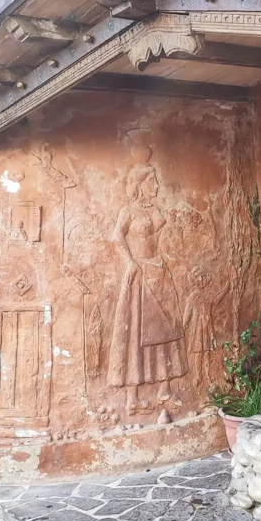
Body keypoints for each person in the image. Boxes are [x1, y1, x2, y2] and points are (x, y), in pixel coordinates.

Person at [107, 166, 187, 413]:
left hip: (160, 271)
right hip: (140, 274)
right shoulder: (128, 211)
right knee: (136, 336)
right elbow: (116, 238)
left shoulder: (155, 209)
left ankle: (164, 389)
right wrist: (130, 262)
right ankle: (132, 397)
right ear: (139, 184)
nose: (156, 186)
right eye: (152, 181)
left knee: (166, 331)